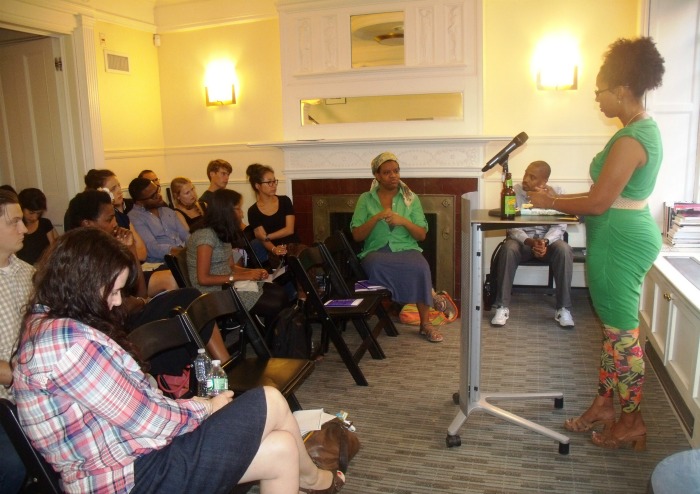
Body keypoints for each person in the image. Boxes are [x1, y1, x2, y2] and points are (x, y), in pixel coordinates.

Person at [12, 228, 345, 493]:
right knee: (270, 400)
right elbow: (150, 421)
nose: (115, 303)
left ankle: (311, 480)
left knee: (282, 449)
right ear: (81, 285)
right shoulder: (70, 345)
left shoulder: (50, 326)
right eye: (111, 291)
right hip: (130, 479)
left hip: (130, 461)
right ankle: (315, 481)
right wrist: (205, 407)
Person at [529, 37, 665, 451]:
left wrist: (551, 201)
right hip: (621, 234)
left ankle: (632, 420)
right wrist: (558, 201)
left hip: (619, 244)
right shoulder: (640, 130)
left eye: (600, 92)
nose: (598, 99)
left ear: (621, 89)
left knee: (623, 338)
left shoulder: (631, 138)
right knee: (614, 335)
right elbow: (605, 197)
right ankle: (604, 406)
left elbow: (601, 200)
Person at [65, 190, 229, 374]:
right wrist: (140, 303)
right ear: (87, 223)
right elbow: (111, 307)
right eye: (109, 219)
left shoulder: (107, 246)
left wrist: (131, 250)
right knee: (185, 305)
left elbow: (140, 291)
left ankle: (222, 364)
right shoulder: (83, 259)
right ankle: (220, 366)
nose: (115, 224)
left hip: (131, 312)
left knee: (191, 297)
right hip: (114, 324)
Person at [350, 152, 443, 343]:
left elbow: (421, 235)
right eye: (386, 172)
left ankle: (425, 324)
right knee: (374, 265)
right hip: (376, 251)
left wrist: (403, 221)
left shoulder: (411, 198)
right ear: (376, 175)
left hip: (406, 249)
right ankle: (427, 293)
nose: (393, 175)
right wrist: (376, 217)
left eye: (396, 171)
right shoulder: (365, 199)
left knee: (421, 267)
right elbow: (357, 235)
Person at [187, 188, 290, 331]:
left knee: (280, 293)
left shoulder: (222, 231)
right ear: (224, 212)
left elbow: (231, 266)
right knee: (275, 302)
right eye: (237, 209)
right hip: (212, 292)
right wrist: (244, 276)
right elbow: (203, 279)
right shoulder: (205, 237)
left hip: (227, 283)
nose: (241, 214)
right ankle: (269, 340)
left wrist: (252, 271)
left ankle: (272, 338)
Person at [490, 161, 575, 329]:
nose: (525, 179)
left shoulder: (557, 193)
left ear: (544, 182)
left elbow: (560, 226)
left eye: (532, 177)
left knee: (565, 249)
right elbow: (511, 226)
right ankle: (501, 307)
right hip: (524, 243)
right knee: (508, 248)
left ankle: (563, 309)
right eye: (526, 173)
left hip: (549, 244)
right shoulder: (513, 191)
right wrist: (530, 242)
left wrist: (544, 242)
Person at [0, 190, 31, 493]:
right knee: (12, 462)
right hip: (4, 401)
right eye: (15, 222)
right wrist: (16, 373)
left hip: (33, 390)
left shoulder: (27, 272)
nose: (23, 229)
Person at [82, 168, 147, 261]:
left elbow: (142, 252)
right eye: (113, 189)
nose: (119, 191)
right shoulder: (99, 222)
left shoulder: (122, 216)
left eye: (118, 186)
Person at [247, 163, 302, 259]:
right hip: (274, 249)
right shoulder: (253, 211)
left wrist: (267, 236)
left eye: (274, 181)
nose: (273, 185)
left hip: (293, 245)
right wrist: (274, 249)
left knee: (307, 256)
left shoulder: (285, 200)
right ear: (257, 186)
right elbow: (261, 238)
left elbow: (289, 230)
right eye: (269, 182)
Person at [128, 177, 189, 263]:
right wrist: (181, 253)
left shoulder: (167, 211)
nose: (159, 196)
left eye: (157, 190)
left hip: (183, 256)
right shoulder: (135, 218)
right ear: (140, 202)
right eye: (153, 196)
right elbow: (152, 248)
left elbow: (185, 235)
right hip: (163, 262)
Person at [16, 187, 58, 265]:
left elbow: (53, 249)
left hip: (43, 267)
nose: (34, 217)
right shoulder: (15, 227)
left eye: (38, 213)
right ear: (21, 208)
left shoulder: (45, 224)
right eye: (31, 213)